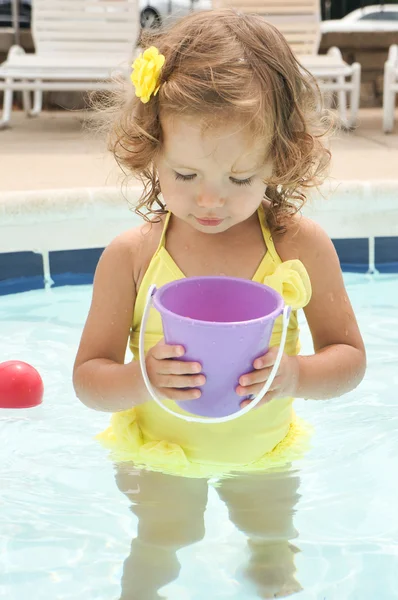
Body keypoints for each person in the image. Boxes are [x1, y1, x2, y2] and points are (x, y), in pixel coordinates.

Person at [73, 9, 366, 597]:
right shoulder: (131, 256)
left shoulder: (298, 245)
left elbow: (350, 359)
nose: (209, 200)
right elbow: (87, 379)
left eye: (239, 179)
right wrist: (142, 380)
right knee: (159, 544)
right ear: (150, 151)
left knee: (271, 545)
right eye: (184, 173)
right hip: (159, 453)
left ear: (279, 161)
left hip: (263, 451)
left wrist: (296, 374)